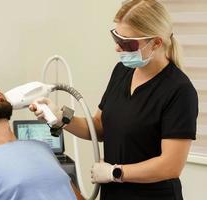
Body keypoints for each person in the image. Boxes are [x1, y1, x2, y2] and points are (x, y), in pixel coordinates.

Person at [29, 0, 198, 199]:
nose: (118, 48)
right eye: (116, 37)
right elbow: (99, 127)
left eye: (127, 42)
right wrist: (61, 118)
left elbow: (170, 166)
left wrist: (115, 172)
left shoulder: (179, 91)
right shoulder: (122, 72)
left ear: (156, 42)